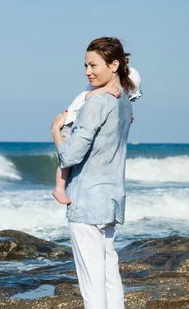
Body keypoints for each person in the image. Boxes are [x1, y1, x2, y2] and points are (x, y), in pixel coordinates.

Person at [51, 37, 134, 309]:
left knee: (92, 278)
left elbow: (70, 153)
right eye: (86, 65)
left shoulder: (97, 103)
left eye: (93, 65)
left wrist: (56, 130)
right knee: (109, 274)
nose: (87, 71)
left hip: (87, 200)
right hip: (111, 198)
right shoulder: (124, 100)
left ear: (113, 65)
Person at [52, 66, 142, 205]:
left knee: (73, 161)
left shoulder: (105, 92)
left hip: (79, 125)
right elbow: (89, 97)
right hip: (70, 124)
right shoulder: (95, 90)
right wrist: (106, 90)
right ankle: (59, 188)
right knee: (66, 161)